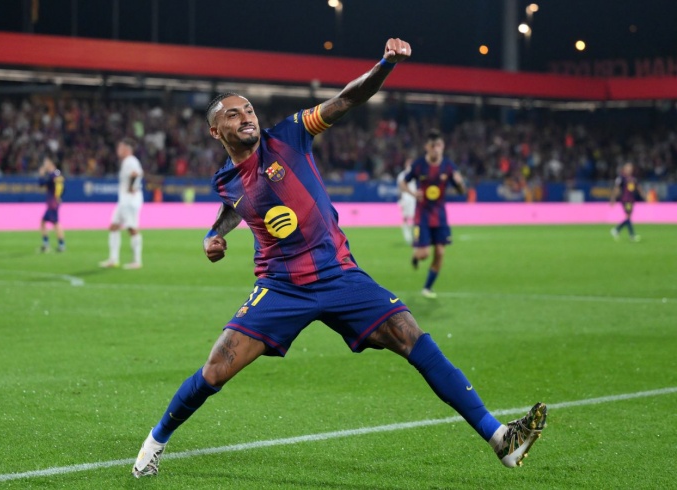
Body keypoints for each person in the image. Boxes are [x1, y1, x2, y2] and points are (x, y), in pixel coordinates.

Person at [132, 39, 547, 479]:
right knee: (216, 369)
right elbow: (235, 206)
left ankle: (500, 438)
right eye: (232, 114)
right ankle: (154, 442)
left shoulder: (289, 134)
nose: (246, 116)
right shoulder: (226, 179)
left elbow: (347, 98)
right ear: (216, 132)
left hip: (339, 275)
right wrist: (212, 235)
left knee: (411, 335)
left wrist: (385, 64)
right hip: (281, 286)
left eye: (248, 109)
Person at [399, 130, 466, 299]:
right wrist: (413, 194)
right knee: (424, 254)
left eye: (439, 145)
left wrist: (460, 184)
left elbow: (461, 191)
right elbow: (403, 183)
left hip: (440, 216)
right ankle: (415, 255)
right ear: (427, 147)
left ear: (443, 147)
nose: (436, 149)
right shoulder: (419, 165)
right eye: (433, 145)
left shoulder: (449, 166)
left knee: (441, 252)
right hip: (422, 216)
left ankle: (427, 288)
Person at [99, 137, 144, 269]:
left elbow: (136, 174)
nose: (118, 150)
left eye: (120, 147)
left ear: (126, 149)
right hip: (124, 200)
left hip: (130, 200)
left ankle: (137, 261)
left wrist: (131, 187)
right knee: (114, 226)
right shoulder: (128, 161)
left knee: (132, 228)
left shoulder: (130, 161)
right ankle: (113, 259)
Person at [610, 162, 643, 242]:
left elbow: (639, 188)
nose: (629, 170)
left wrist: (644, 195)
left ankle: (616, 230)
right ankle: (632, 235)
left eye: (630, 169)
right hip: (625, 200)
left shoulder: (633, 179)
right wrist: (613, 198)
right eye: (628, 168)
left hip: (631, 200)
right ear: (624, 169)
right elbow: (616, 188)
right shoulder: (621, 178)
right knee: (628, 217)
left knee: (628, 218)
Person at [37, 157, 65, 253]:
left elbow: (41, 184)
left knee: (55, 223)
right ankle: (50, 244)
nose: (44, 165)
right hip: (53, 202)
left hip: (52, 202)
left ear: (50, 163)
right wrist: (59, 196)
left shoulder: (52, 174)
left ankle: (59, 245)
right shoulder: (57, 173)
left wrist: (41, 174)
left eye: (46, 162)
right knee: (45, 222)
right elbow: (62, 186)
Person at [396, 158, 417, 246]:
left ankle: (415, 237)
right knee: (405, 218)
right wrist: (400, 199)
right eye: (408, 164)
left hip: (414, 198)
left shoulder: (416, 174)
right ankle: (407, 236)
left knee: (415, 218)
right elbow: (400, 188)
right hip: (405, 198)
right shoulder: (402, 175)